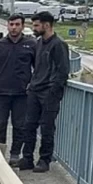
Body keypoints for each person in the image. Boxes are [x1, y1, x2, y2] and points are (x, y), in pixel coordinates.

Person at [17, 11, 70, 173]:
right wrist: (32, 84)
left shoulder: (58, 44)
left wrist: (53, 91)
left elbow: (63, 71)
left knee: (47, 127)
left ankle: (44, 160)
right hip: (34, 90)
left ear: (46, 25)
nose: (33, 28)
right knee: (29, 125)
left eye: (36, 25)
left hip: (49, 92)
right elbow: (38, 67)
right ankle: (27, 158)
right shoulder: (39, 42)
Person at [0, 14, 37, 166]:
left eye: (17, 24)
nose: (14, 27)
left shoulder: (31, 45)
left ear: (22, 26)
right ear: (7, 25)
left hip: (22, 94)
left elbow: (38, 66)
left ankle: (14, 155)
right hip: (1, 93)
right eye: (11, 24)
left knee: (20, 126)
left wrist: (31, 82)